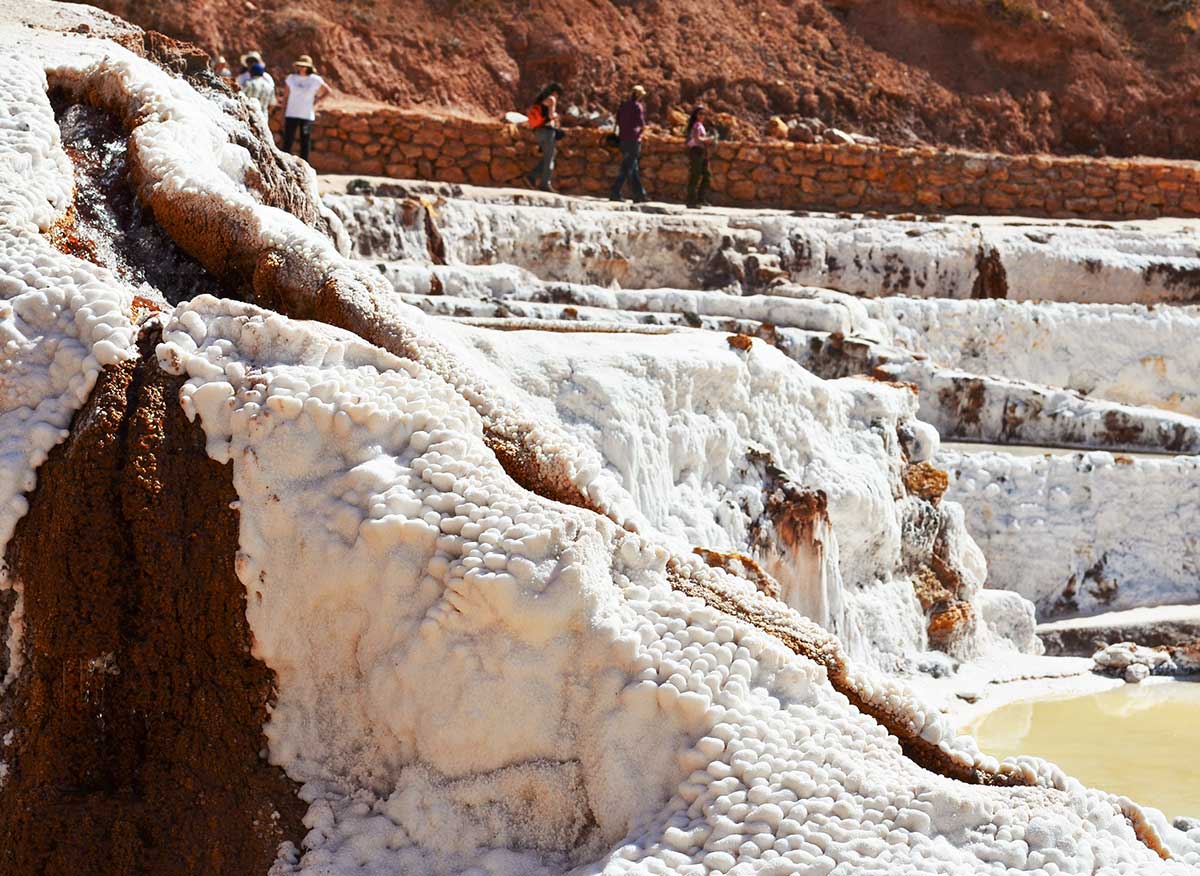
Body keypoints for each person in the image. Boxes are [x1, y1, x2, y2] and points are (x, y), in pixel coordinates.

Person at [282, 54, 330, 162]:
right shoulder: (291, 78)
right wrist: (283, 111)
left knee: (305, 141)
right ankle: (284, 165)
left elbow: (327, 91)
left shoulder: (315, 79)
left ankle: (305, 166)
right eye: (301, 65)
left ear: (309, 67)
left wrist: (317, 102)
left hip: (307, 116)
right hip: (291, 114)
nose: (302, 68)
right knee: (288, 140)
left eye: (305, 66)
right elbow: (286, 96)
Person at [611, 85, 649, 203]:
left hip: (623, 139)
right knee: (630, 167)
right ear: (639, 95)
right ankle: (637, 194)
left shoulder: (623, 105)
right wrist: (640, 134)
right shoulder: (638, 106)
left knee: (630, 166)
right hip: (633, 139)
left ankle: (636, 194)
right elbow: (642, 124)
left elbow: (617, 121)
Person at [525, 82, 564, 192]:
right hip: (547, 131)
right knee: (550, 157)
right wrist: (557, 116)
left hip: (538, 131)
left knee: (550, 155)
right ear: (556, 92)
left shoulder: (541, 99)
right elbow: (551, 115)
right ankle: (545, 184)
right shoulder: (552, 99)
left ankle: (532, 176)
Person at [685, 105, 715, 209]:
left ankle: (701, 198)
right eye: (700, 113)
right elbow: (697, 139)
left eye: (704, 114)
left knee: (707, 175)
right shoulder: (696, 125)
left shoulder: (700, 125)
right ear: (696, 115)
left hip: (702, 151)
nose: (702, 116)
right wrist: (708, 139)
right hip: (697, 151)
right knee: (695, 175)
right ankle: (691, 201)